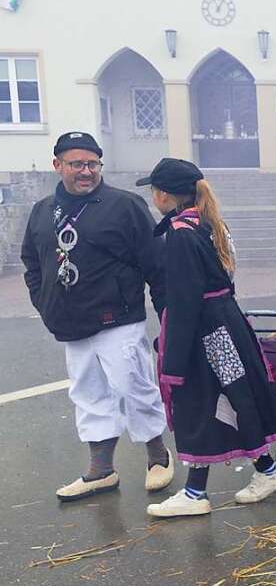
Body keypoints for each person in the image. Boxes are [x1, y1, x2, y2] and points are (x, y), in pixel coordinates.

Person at [21, 132, 173, 502]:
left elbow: (155, 263)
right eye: (77, 164)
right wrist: (45, 303)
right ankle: (101, 469)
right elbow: (32, 262)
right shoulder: (43, 210)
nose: (86, 171)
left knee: (132, 385)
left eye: (92, 164)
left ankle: (157, 456)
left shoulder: (126, 205)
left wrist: (168, 313)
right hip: (70, 323)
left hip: (118, 318)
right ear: (58, 166)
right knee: (87, 392)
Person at [141, 158, 276, 517]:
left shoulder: (180, 234)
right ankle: (264, 470)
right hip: (225, 323)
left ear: (163, 195)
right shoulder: (207, 224)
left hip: (204, 330)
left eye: (154, 191)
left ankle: (196, 493)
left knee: (200, 401)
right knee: (234, 397)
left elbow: (184, 300)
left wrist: (172, 356)